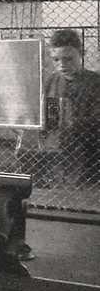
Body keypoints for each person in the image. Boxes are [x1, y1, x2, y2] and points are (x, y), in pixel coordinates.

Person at [43, 29, 100, 186]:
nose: (62, 65)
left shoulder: (95, 83)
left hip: (90, 151)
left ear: (82, 54)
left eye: (68, 59)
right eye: (56, 60)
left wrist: (70, 123)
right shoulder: (51, 81)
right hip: (57, 151)